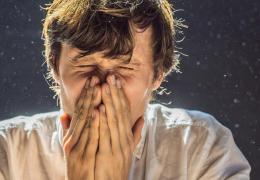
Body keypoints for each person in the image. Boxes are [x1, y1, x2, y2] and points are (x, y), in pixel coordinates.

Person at [0, 0, 251, 179]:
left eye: (125, 70)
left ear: (157, 75)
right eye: (85, 66)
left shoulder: (201, 149)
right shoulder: (7, 153)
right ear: (55, 66)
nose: (102, 88)